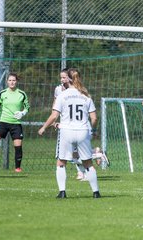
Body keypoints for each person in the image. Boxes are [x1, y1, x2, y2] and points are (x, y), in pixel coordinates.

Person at [38, 68, 101, 199]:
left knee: (61, 162)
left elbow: (54, 115)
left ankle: (62, 192)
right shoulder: (86, 95)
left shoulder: (62, 95)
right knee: (88, 163)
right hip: (83, 131)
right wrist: (92, 130)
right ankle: (96, 192)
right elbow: (94, 118)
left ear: (69, 80)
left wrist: (44, 127)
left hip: (66, 131)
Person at [53, 68, 86, 181]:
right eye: (61, 77)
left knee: (72, 152)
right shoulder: (58, 89)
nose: (62, 79)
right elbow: (55, 105)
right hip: (64, 125)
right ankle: (81, 172)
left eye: (64, 77)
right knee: (71, 153)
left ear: (70, 78)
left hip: (75, 126)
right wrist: (54, 119)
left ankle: (96, 154)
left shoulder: (78, 91)